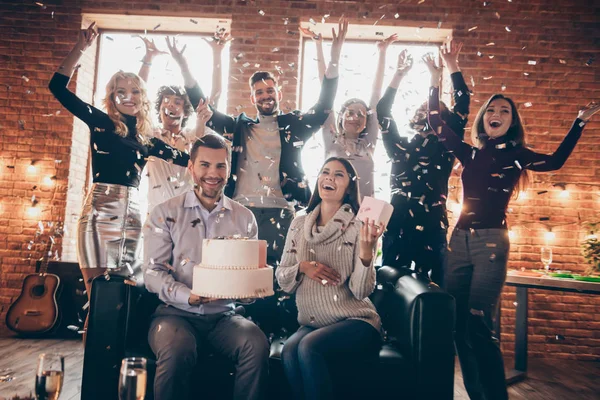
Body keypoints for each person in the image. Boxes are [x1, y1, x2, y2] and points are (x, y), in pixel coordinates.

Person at [427, 56, 600, 399]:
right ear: (483, 119)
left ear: (512, 122)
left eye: (505, 111)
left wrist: (579, 123)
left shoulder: (518, 155)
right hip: (458, 240)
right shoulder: (470, 153)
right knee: (457, 324)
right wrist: (437, 77)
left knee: (477, 324)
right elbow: (436, 124)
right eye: (493, 109)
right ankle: (478, 394)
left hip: (492, 243)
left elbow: (555, 162)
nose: (498, 114)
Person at [47, 23, 190, 300]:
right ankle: (93, 343)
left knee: (118, 300)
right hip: (99, 212)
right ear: (112, 97)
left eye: (135, 91)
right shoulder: (99, 120)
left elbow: (187, 160)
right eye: (121, 91)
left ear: (143, 97)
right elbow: (57, 87)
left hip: (133, 215)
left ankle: (116, 344)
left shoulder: (148, 139)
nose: (129, 96)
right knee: (97, 298)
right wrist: (81, 47)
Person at [195, 18, 348, 266]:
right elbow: (202, 105)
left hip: (282, 209)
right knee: (240, 271)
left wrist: (335, 57)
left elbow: (324, 105)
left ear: (278, 93)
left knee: (280, 272)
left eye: (269, 90)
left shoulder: (294, 126)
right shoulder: (238, 127)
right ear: (253, 98)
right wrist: (201, 59)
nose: (265, 95)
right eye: (259, 92)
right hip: (241, 208)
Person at [143, 134, 270, 400]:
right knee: (176, 349)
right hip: (174, 314)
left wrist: (251, 290)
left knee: (256, 343)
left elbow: (247, 275)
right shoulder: (164, 212)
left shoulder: (245, 218)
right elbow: (153, 272)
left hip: (225, 316)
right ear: (190, 167)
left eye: (220, 166)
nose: (213, 173)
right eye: (205, 165)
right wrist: (187, 295)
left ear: (229, 170)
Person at [276, 157, 383, 400]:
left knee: (307, 347)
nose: (329, 178)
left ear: (348, 187)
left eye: (338, 174)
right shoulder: (298, 224)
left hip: (356, 319)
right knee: (289, 350)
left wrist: (367, 253)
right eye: (325, 172)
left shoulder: (360, 226)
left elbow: (361, 291)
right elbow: (282, 279)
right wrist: (302, 267)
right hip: (314, 322)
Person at [378, 40, 470, 285]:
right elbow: (383, 111)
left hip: (433, 224)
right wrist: (398, 75)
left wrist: (448, 66)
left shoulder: (446, 145)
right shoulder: (399, 146)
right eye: (421, 109)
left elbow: (462, 105)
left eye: (431, 110)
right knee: (389, 288)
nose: (424, 112)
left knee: (433, 290)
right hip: (397, 223)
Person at [136, 32, 228, 212]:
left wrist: (217, 53)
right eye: (166, 100)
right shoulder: (151, 134)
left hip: (190, 214)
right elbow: (137, 97)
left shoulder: (194, 134)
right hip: (157, 215)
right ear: (159, 106)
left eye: (177, 102)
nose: (171, 104)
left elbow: (214, 97)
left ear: (185, 111)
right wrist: (148, 59)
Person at [303, 28, 397, 199]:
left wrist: (383, 52)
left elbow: (376, 95)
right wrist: (319, 45)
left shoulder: (368, 144)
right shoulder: (331, 138)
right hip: (332, 212)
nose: (355, 117)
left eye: (361, 115)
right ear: (341, 117)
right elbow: (326, 93)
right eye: (350, 113)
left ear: (366, 122)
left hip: (363, 215)